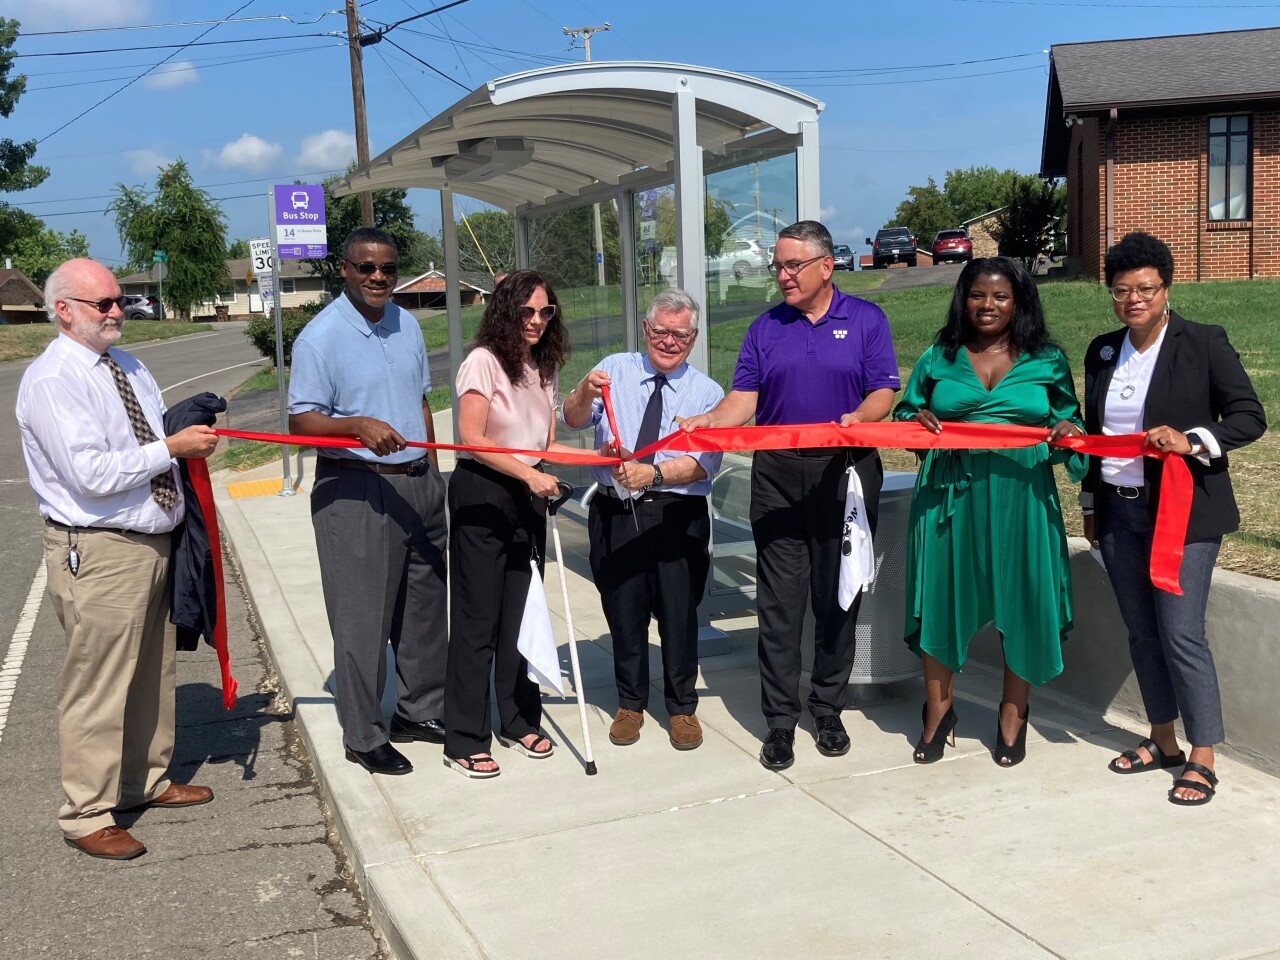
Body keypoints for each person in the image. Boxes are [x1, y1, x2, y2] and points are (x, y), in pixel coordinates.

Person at [16, 258, 220, 860]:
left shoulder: (126, 364)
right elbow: (91, 474)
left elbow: (147, 435)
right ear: (64, 310)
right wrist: (172, 447)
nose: (115, 312)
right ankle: (86, 812)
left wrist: (180, 431)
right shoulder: (54, 379)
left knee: (151, 674)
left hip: (153, 540)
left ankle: (143, 780)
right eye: (102, 303)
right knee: (98, 683)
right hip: (99, 548)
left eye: (118, 300)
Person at [681, 220, 900, 771]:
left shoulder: (867, 320)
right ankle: (780, 722)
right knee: (779, 606)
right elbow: (743, 399)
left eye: (791, 265)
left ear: (826, 266)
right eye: (776, 266)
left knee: (837, 597)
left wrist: (860, 418)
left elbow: (884, 391)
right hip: (778, 476)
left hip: (845, 472)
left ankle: (827, 707)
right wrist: (707, 421)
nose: (780, 275)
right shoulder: (765, 328)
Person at [1082, 231, 1264, 806]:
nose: (1133, 300)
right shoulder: (1103, 350)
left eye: (1144, 289)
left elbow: (1248, 417)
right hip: (1118, 512)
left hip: (1182, 516)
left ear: (1166, 288)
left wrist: (1190, 440)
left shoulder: (1204, 342)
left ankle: (1203, 753)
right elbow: (1097, 436)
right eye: (1121, 290)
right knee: (1141, 631)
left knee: (1182, 633)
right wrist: (1090, 504)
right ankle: (1162, 739)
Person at [893, 257, 1086, 767]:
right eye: (978, 295)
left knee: (1022, 598)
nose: (988, 305)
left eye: (1000, 297)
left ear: (1019, 302)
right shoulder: (941, 354)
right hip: (948, 496)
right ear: (964, 298)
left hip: (1021, 495)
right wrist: (918, 419)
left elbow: (1071, 421)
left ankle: (1013, 711)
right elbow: (905, 413)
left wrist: (1069, 434)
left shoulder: (1046, 360)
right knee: (941, 599)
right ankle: (938, 709)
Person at [288, 227, 448, 777]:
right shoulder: (319, 337)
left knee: (424, 610)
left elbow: (420, 399)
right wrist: (354, 425)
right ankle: (363, 734)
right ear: (344, 269)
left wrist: (432, 471)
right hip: (356, 490)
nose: (378, 277)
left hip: (418, 482)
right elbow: (301, 420)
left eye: (387, 268)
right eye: (366, 268)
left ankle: (419, 711)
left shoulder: (406, 324)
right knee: (362, 619)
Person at [562, 289, 725, 751]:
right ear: (645, 329)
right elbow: (574, 421)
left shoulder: (708, 393)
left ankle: (681, 709)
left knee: (679, 617)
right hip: (616, 511)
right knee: (623, 612)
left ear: (692, 338)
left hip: (677, 514)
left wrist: (652, 473)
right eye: (660, 331)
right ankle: (630, 703)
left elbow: (702, 466)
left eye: (680, 334)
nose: (668, 341)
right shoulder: (613, 370)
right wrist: (581, 392)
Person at [444, 269, 578, 778]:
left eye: (546, 312)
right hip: (483, 492)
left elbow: (542, 446)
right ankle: (464, 737)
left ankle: (518, 718)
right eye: (527, 311)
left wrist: (605, 457)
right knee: (478, 620)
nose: (538, 321)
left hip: (528, 492)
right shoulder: (482, 362)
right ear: (506, 310)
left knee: (521, 613)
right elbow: (471, 437)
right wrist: (528, 475)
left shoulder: (543, 366)